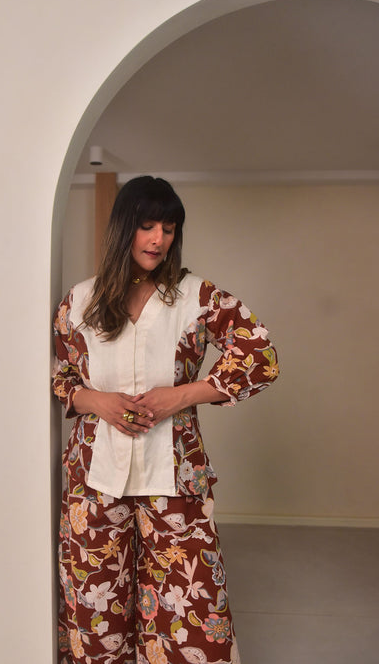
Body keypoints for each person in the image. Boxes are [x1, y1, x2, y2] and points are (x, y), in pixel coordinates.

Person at [52, 176, 279, 664]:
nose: (159, 239)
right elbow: (60, 374)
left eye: (169, 229)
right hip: (93, 476)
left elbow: (259, 356)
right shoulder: (80, 300)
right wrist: (96, 401)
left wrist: (178, 397)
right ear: (124, 228)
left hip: (177, 471)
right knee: (96, 606)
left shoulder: (197, 296)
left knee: (190, 607)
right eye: (148, 226)